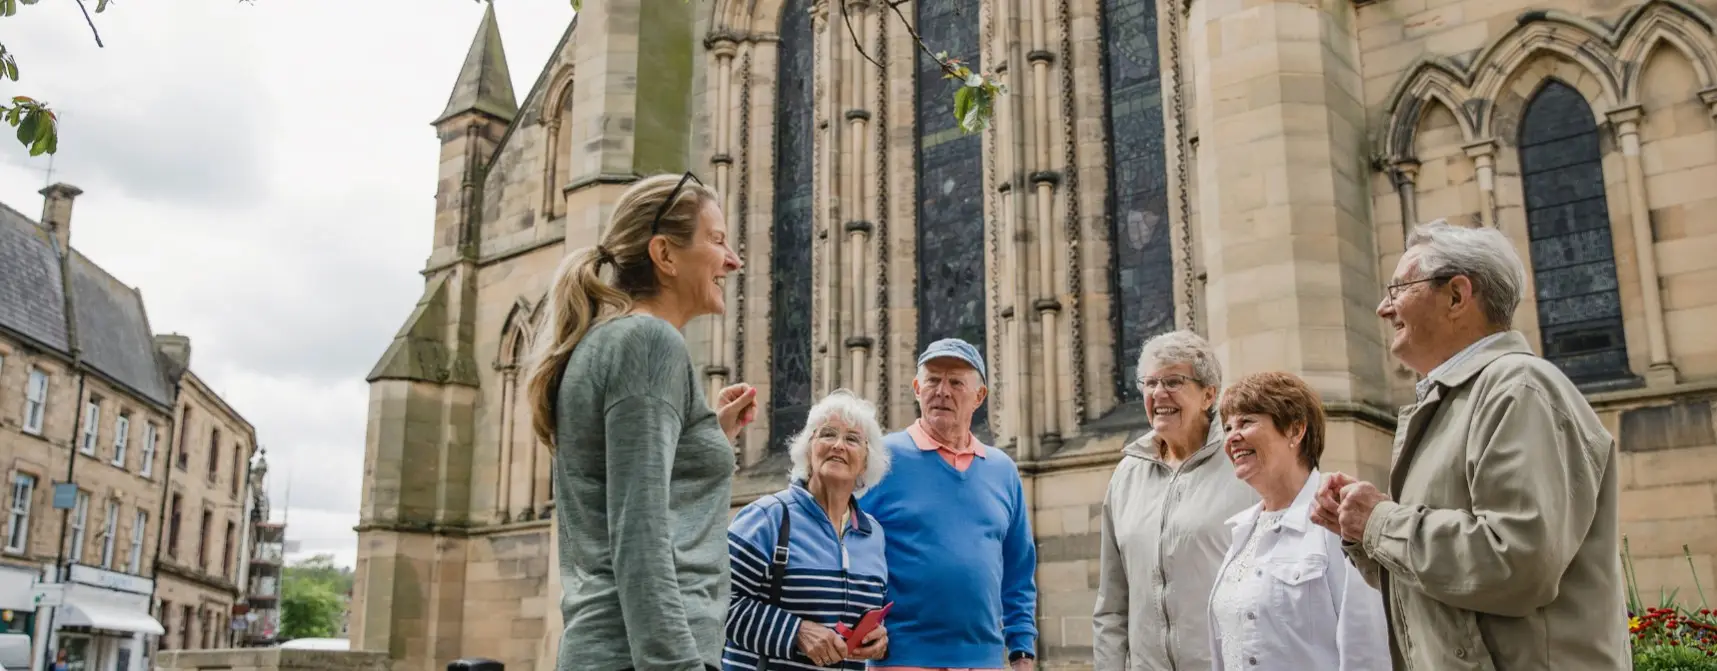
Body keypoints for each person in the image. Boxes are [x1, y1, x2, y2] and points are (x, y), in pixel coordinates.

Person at [1311, 219, 1626, 670]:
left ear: (1457, 296)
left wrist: (1379, 522)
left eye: (1398, 288)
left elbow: (1516, 564)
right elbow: (1450, 588)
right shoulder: (1462, 397)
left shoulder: (1518, 387)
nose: (1384, 308)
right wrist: (1361, 535)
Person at [524, 172, 760, 671]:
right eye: (717, 241)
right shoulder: (649, 343)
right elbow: (640, 539)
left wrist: (705, 436)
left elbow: (633, 490)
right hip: (643, 658)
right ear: (665, 255)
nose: (734, 259)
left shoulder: (614, 341)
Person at [860, 338, 1039, 671]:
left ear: (979, 396)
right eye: (932, 380)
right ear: (916, 388)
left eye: (956, 382)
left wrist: (1022, 649)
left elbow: (1018, 569)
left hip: (984, 660)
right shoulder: (881, 459)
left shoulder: (1002, 470)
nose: (942, 391)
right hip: (903, 659)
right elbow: (846, 545)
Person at [1092, 330, 1257, 671]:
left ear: (1209, 394)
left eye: (1173, 381)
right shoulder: (1126, 475)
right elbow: (1112, 605)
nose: (1158, 393)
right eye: (1150, 383)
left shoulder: (1243, 466)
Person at [1206, 371, 1389, 670]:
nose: (1232, 437)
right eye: (1227, 427)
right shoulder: (1242, 533)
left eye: (1246, 422)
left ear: (1295, 430)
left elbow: (1368, 649)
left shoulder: (1339, 517)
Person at [723, 390, 893, 670]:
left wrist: (877, 639)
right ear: (808, 449)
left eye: (852, 439)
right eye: (827, 434)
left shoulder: (872, 535)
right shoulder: (768, 518)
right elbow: (716, 603)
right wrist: (795, 632)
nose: (838, 445)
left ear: (866, 462)